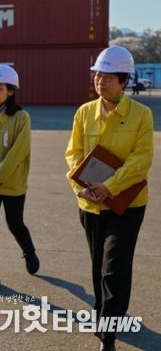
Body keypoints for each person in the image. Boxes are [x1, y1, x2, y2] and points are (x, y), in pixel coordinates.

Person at [65, 46, 153, 351]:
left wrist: (110, 186)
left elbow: (141, 159)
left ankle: (108, 333)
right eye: (97, 76)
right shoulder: (84, 113)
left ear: (124, 80)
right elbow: (73, 153)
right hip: (91, 203)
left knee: (115, 267)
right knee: (98, 265)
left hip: (127, 204)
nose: (100, 82)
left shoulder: (141, 115)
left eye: (108, 77)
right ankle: (106, 310)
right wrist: (79, 186)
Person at [0, 65, 40, 292]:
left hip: (12, 185)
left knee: (15, 224)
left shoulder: (21, 118)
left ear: (11, 91)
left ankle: (29, 251)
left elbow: (16, 154)